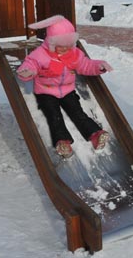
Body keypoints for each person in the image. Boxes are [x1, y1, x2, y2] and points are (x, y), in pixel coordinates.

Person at [17, 15, 113, 158]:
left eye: (68, 45)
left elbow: (85, 65)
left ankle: (95, 135)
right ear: (50, 42)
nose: (64, 49)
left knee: (77, 112)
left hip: (67, 90)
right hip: (46, 92)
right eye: (60, 45)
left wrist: (99, 66)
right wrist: (27, 72)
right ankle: (63, 143)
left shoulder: (74, 54)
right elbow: (31, 64)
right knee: (54, 115)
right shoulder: (41, 54)